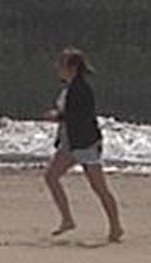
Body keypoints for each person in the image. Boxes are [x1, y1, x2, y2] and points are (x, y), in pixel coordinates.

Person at [43, 47, 123, 243]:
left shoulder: (82, 89)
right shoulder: (70, 88)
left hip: (85, 143)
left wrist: (58, 116)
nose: (58, 68)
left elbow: (82, 116)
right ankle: (67, 219)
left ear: (73, 67)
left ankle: (116, 227)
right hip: (71, 142)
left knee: (99, 187)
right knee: (51, 176)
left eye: (61, 64)